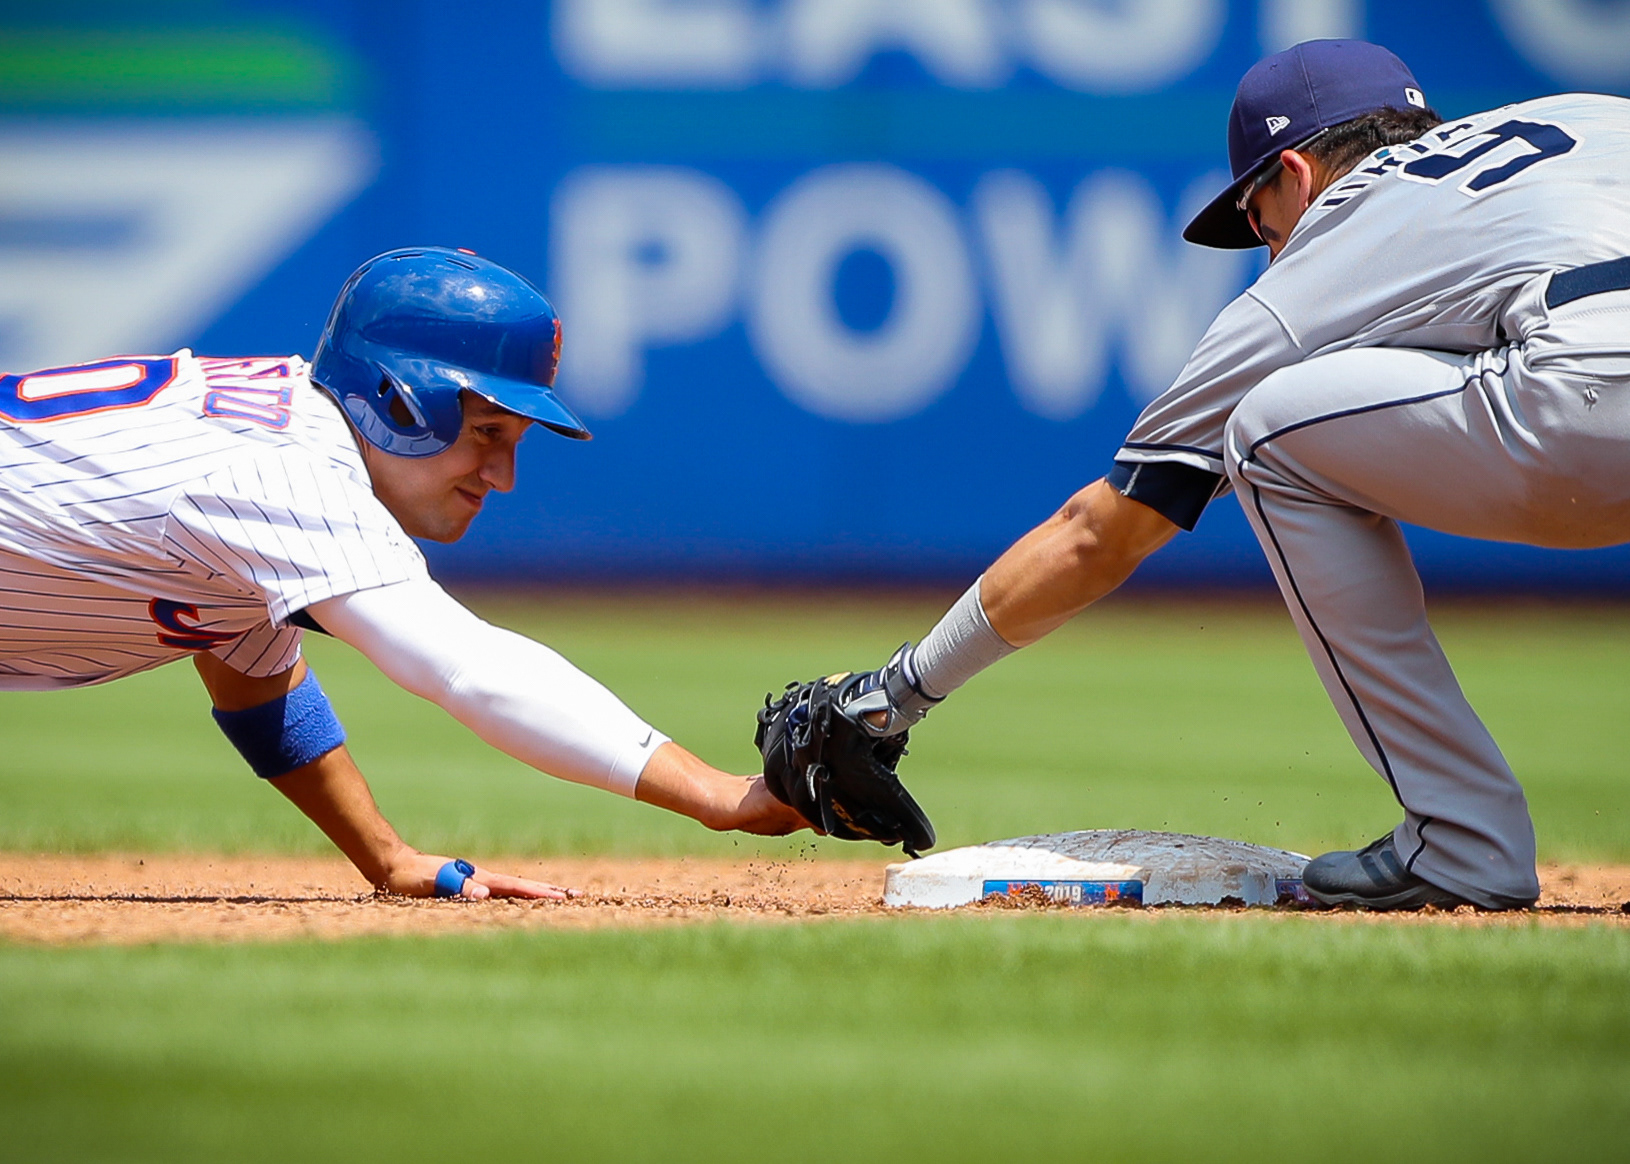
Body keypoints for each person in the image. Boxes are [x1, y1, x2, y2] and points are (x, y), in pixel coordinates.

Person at [829, 39, 1630, 910]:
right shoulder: (1585, 115)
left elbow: (1106, 530)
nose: (1264, 242)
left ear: (1296, 171)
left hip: (1590, 392)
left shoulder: (1339, 240)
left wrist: (896, 690)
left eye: (1257, 214)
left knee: (1268, 432)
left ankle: (1463, 839)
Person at [0, 246, 805, 899]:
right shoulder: (285, 474)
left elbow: (253, 677)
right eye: (487, 429)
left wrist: (385, 858)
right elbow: (471, 669)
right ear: (398, 398)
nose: (502, 476)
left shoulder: (275, 449)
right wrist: (718, 794)